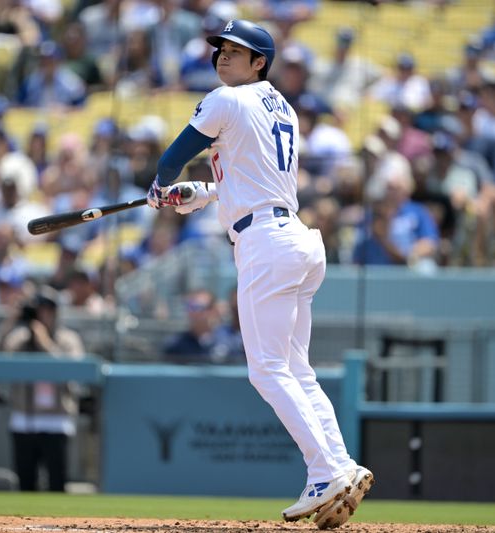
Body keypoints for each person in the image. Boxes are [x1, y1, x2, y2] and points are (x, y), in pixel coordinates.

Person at [144, 19, 373, 529]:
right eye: (221, 48)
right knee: (297, 370)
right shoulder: (279, 106)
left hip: (266, 246)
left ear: (260, 61)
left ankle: (323, 471)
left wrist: (162, 182)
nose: (224, 56)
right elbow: (250, 179)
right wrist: (199, 193)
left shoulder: (226, 100)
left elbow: (174, 154)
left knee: (266, 370)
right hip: (293, 238)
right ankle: (341, 465)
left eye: (237, 49)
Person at [1, 285, 85, 492]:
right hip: (24, 418)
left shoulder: (68, 339)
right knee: (26, 484)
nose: (43, 315)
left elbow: (74, 372)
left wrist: (44, 342)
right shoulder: (19, 339)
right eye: (39, 310)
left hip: (56, 419)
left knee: (57, 483)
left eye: (48, 310)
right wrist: (11, 320)